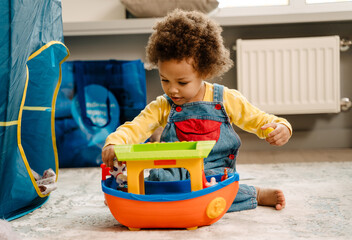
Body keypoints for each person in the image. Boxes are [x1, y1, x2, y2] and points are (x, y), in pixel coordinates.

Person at [102, 9, 292, 212]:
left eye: (182, 82)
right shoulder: (163, 105)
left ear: (205, 71)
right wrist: (116, 141)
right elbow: (135, 127)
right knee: (158, 181)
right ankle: (131, 196)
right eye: (165, 80)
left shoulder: (226, 98)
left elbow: (258, 119)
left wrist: (280, 127)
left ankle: (256, 193)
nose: (172, 89)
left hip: (214, 173)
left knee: (217, 191)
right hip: (174, 173)